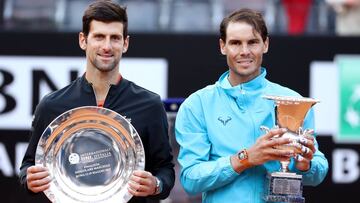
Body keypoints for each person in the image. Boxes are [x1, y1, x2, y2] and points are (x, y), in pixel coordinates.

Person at [19, 1, 175, 202]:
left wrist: (156, 185)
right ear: (83, 40)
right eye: (99, 37)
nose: (107, 46)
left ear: (125, 43)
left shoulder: (150, 104)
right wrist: (29, 180)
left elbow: (165, 170)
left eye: (115, 38)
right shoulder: (52, 105)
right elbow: (28, 165)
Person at [175, 8, 328, 203]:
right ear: (223, 47)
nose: (244, 51)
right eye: (235, 43)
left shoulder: (292, 101)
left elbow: (318, 172)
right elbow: (190, 180)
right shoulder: (197, 105)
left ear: (265, 44)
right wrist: (244, 159)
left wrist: (306, 164)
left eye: (252, 42)